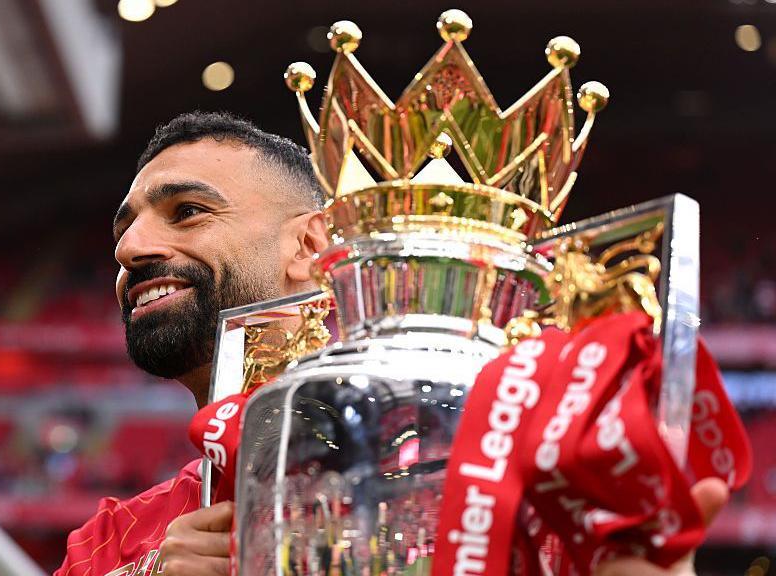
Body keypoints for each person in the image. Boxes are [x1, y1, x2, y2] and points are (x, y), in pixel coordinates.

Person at [54, 112, 728, 576]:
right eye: (126, 227)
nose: (130, 248)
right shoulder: (112, 541)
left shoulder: (523, 480)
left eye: (187, 212)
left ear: (314, 245)